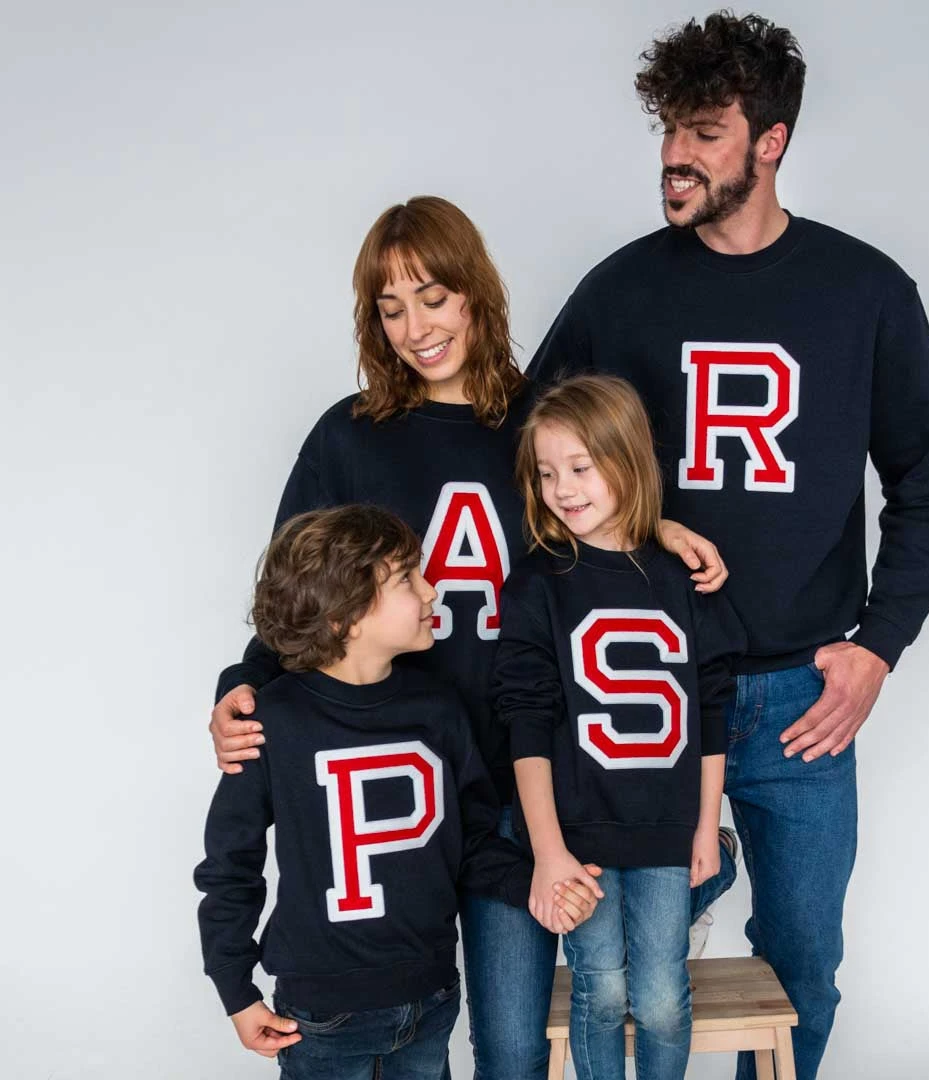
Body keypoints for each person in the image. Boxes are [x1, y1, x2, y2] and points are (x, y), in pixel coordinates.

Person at [527, 12, 929, 1079]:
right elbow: (527, 447)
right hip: (646, 688)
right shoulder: (622, 290)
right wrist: (641, 527)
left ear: (771, 142)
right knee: (626, 963)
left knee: (804, 962)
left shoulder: (865, 291)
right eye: (670, 130)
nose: (676, 155)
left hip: (804, 697)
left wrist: (878, 647)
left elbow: (927, 488)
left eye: (706, 132)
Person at [205, 195, 730, 1079]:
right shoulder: (348, 437)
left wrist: (660, 533)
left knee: (520, 1041)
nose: (416, 328)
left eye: (434, 297)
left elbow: (607, 510)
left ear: (475, 292)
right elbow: (295, 592)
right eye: (391, 308)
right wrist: (239, 687)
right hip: (398, 768)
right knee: (430, 1026)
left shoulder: (540, 418)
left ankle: (692, 888)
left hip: (525, 777)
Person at [194, 504, 598, 1080]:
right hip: (321, 1018)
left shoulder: (439, 712)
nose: (432, 590)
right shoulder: (271, 724)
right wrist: (235, 990)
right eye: (407, 578)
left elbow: (471, 844)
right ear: (346, 616)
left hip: (430, 1001)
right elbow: (230, 866)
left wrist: (536, 884)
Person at [493, 375, 748, 1079]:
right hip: (581, 834)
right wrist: (548, 850)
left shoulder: (682, 577)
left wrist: (706, 826)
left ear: (627, 460)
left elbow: (711, 710)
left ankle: (716, 865)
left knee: (661, 995)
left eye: (580, 467)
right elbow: (526, 722)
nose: (562, 489)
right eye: (546, 473)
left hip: (665, 826)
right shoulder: (538, 583)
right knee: (601, 986)